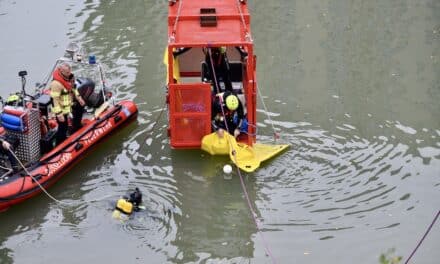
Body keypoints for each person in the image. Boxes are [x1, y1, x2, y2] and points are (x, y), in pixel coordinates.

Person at [49, 62, 85, 145]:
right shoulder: (56, 84)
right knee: (63, 127)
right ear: (61, 71)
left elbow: (73, 88)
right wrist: (59, 114)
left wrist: (79, 98)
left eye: (69, 72)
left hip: (69, 103)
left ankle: (76, 126)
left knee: (80, 107)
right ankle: (60, 143)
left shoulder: (70, 77)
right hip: (61, 108)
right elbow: (55, 100)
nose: (69, 74)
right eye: (67, 72)